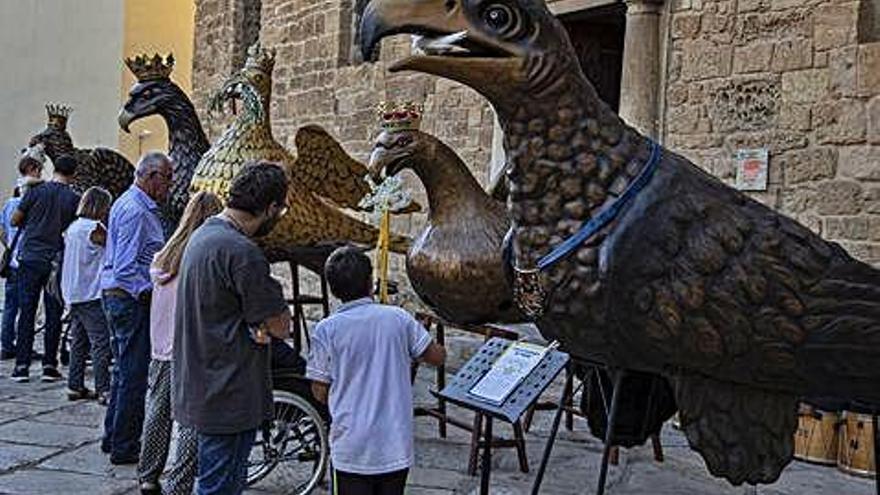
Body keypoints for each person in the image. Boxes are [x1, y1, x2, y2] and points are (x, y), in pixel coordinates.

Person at [173, 161, 291, 495]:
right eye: (281, 209)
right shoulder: (242, 252)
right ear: (269, 208)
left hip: (201, 383)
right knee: (219, 487)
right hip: (228, 391)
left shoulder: (203, 235)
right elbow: (279, 325)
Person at [307, 246, 446, 495]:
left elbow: (319, 390)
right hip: (394, 444)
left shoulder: (326, 330)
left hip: (351, 446)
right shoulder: (398, 319)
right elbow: (436, 357)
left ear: (333, 289)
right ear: (370, 282)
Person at [138, 191, 222, 495]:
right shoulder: (202, 257)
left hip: (161, 345)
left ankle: (148, 474)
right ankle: (180, 482)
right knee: (191, 419)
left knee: (157, 410)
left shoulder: (165, 255)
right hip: (190, 347)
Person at [101, 151, 172, 465]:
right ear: (152, 176)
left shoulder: (131, 204)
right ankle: (125, 444)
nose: (169, 185)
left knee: (123, 370)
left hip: (120, 296)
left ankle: (113, 435)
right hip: (128, 299)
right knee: (133, 373)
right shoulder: (135, 211)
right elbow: (126, 267)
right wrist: (149, 292)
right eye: (167, 178)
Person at [9, 154, 80, 382]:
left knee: (27, 311)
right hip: (55, 261)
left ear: (54, 168)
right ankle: (50, 364)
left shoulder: (35, 191)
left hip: (30, 257)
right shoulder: (73, 198)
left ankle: (22, 366)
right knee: (54, 314)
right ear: (73, 174)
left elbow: (15, 220)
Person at [61, 186, 113, 402]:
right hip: (92, 292)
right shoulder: (95, 228)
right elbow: (113, 249)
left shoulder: (73, 227)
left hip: (73, 292)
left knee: (79, 342)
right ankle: (104, 389)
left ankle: (75, 385)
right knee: (101, 343)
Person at [0, 150, 44, 360]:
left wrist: (9, 244)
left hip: (12, 259)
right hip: (27, 259)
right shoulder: (31, 201)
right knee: (26, 307)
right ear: (33, 170)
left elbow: (1, 229)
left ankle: (6, 344)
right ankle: (21, 347)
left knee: (10, 306)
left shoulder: (9, 203)